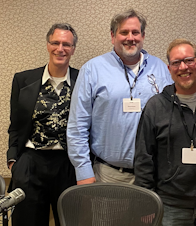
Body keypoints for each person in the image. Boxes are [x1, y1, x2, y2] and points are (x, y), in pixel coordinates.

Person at [134, 38, 196, 226]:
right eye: (176, 62)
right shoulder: (156, 107)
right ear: (169, 68)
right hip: (171, 207)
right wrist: (145, 204)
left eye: (189, 60)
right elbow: (144, 158)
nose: (183, 67)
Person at [67, 9, 173, 185]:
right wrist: (83, 170)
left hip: (153, 176)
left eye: (135, 32)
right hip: (108, 175)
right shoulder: (92, 70)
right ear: (112, 35)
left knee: (149, 215)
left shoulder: (160, 68)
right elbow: (78, 125)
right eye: (124, 32)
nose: (130, 37)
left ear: (143, 35)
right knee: (106, 214)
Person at [7, 23, 78, 226]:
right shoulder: (23, 80)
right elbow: (16, 124)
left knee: (70, 221)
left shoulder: (83, 80)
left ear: (73, 49)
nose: (60, 48)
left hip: (68, 163)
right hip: (30, 162)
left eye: (66, 44)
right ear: (48, 45)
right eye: (55, 42)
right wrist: (13, 160)